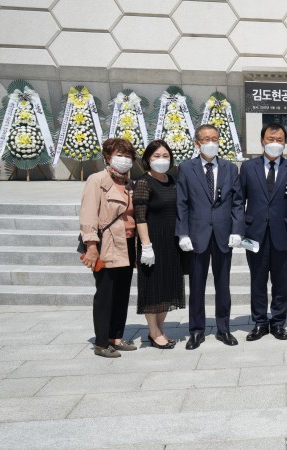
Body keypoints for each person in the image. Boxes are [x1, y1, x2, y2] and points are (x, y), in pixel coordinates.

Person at [176, 124, 244, 350]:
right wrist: (182, 233)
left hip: (223, 235)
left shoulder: (230, 168)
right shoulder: (186, 168)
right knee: (197, 285)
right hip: (197, 235)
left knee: (223, 285)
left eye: (215, 139)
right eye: (206, 139)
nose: (211, 143)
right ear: (197, 143)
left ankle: (224, 328)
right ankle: (196, 330)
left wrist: (237, 230)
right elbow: (182, 202)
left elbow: (237, 202)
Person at [240, 123, 287, 342]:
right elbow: (239, 201)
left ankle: (278, 322)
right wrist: (238, 230)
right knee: (257, 280)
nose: (275, 143)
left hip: (283, 232)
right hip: (254, 233)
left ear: (285, 143)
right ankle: (259, 322)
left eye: (279, 140)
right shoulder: (248, 167)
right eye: (270, 139)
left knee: (280, 281)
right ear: (262, 141)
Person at [79, 138, 138, 358]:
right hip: (106, 244)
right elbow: (88, 214)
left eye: (128, 156)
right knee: (105, 293)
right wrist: (91, 245)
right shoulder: (97, 180)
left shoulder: (130, 183)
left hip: (128, 243)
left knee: (122, 292)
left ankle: (116, 336)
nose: (124, 160)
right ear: (107, 157)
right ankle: (101, 342)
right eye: (119, 155)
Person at [134, 139, 185, 349]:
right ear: (148, 159)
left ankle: (160, 328)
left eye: (165, 156)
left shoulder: (172, 180)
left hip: (171, 242)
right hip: (152, 241)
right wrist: (146, 245)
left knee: (167, 286)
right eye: (156, 156)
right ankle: (154, 332)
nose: (161, 160)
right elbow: (140, 217)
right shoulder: (143, 182)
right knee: (153, 287)